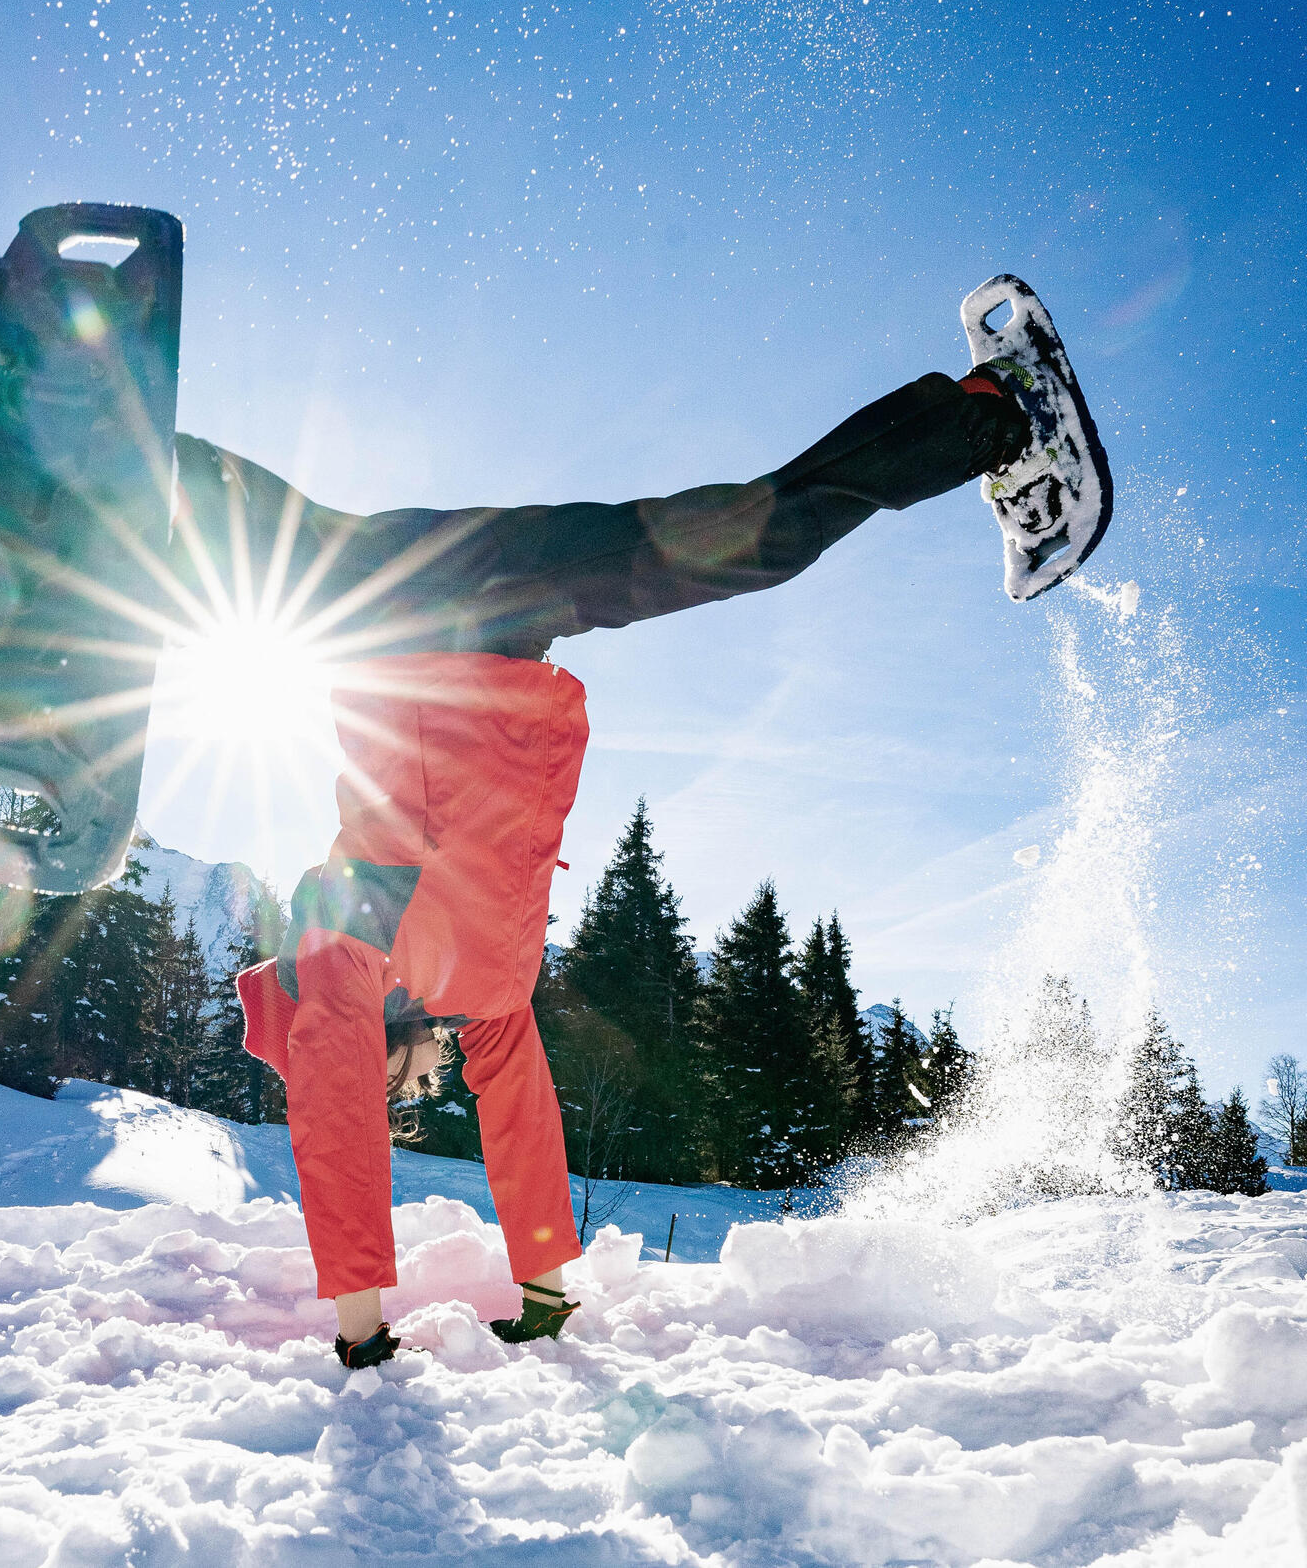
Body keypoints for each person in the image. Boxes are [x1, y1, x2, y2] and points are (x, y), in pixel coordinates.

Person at [209, 287, 1113, 1369]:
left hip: (412, 617)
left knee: (225, 544)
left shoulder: (337, 959)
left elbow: (334, 1134)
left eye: (405, 1094)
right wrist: (547, 1293)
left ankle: (69, 443)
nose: (424, 1091)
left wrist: (361, 1332)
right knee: (754, 533)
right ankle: (986, 412)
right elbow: (527, 1125)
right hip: (504, 612)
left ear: (367, 1061)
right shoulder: (477, 998)